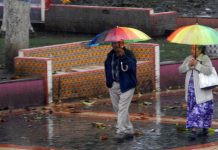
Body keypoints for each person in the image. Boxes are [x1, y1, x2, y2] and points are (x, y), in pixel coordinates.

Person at [179, 46, 214, 139]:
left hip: (202, 91)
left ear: (200, 50)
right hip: (191, 91)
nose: (192, 50)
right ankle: (200, 129)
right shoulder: (188, 58)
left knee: (199, 110)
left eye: (195, 49)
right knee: (192, 109)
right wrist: (188, 65)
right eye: (192, 48)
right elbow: (180, 69)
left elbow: (209, 71)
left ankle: (195, 131)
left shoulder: (205, 58)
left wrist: (197, 65)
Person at [104, 41, 137, 142]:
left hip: (127, 86)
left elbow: (132, 68)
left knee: (122, 108)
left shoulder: (129, 54)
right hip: (113, 85)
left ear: (122, 44)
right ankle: (129, 129)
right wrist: (109, 82)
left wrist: (123, 57)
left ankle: (120, 131)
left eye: (117, 43)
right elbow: (107, 67)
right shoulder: (110, 55)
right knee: (118, 109)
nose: (114, 45)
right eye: (113, 43)